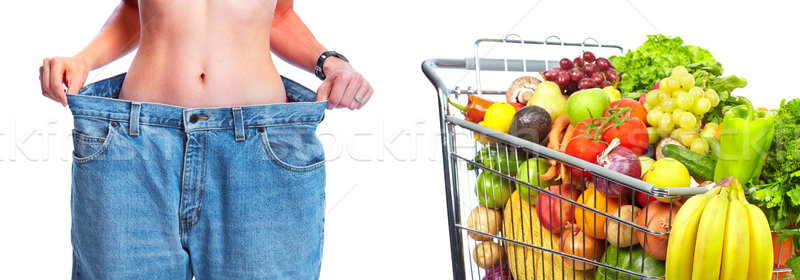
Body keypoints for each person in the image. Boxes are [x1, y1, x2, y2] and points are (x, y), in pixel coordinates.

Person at [38, 0, 372, 278]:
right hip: (134, 149)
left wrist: (331, 63)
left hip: (260, 153)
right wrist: (83, 59)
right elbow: (134, 9)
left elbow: (277, 14)